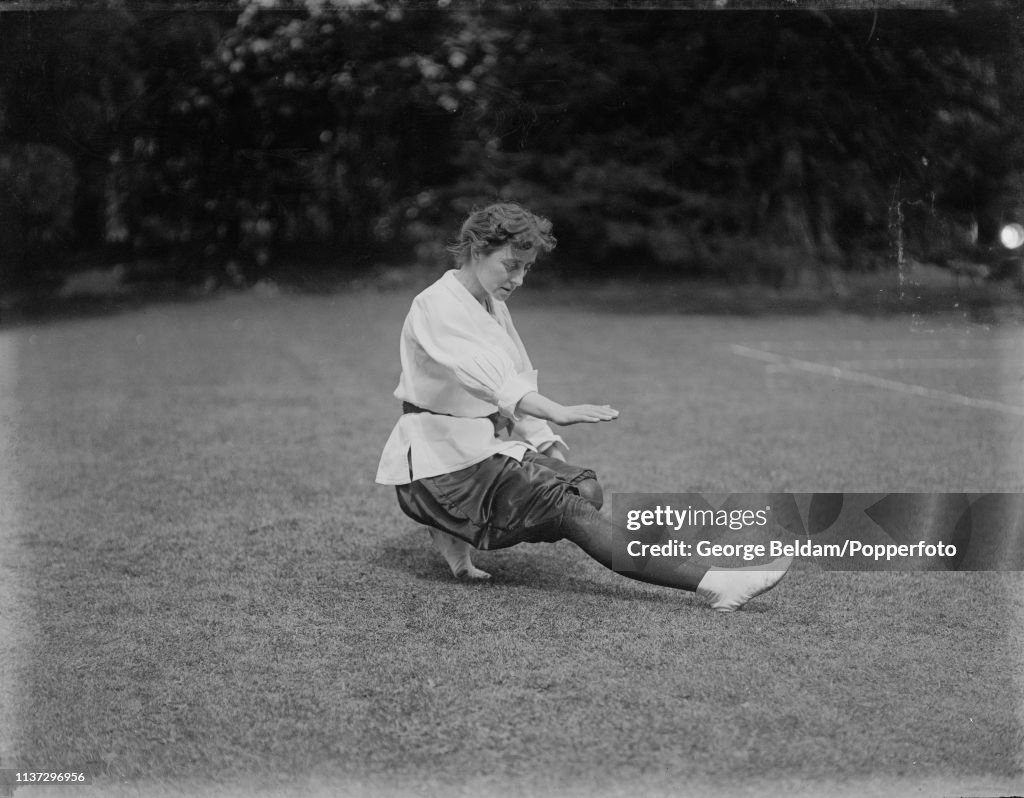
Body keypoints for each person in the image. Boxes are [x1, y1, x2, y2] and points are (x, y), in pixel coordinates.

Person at [376, 202, 792, 612]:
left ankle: (456, 536)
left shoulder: (491, 303)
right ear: (476, 249)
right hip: (438, 465)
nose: (519, 279)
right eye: (511, 265)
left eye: (527, 268)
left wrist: (543, 440)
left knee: (585, 490)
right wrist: (554, 411)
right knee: (568, 508)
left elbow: (517, 372)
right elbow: (491, 380)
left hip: (475, 447)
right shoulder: (436, 305)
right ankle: (717, 583)